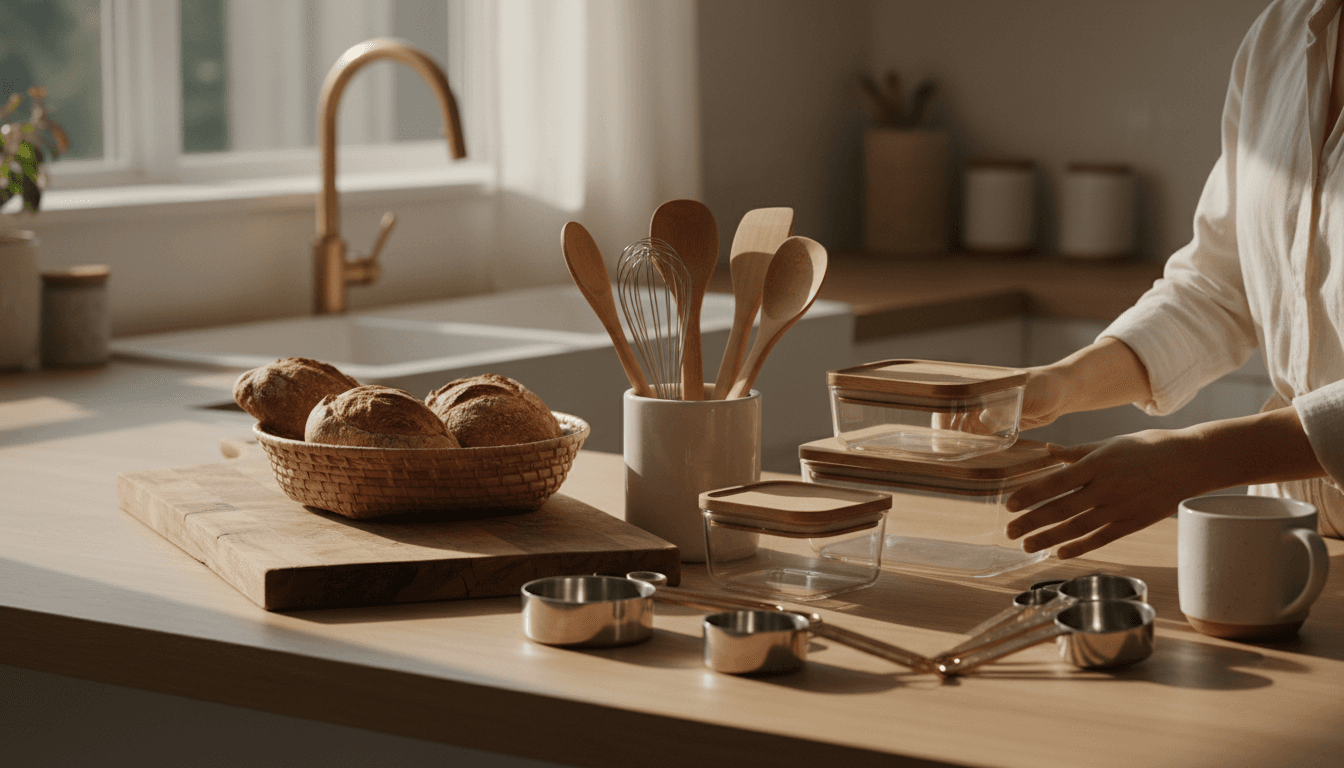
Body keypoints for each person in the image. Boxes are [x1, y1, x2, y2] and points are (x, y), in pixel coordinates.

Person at [1003, 0, 1344, 559]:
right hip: (1293, 543)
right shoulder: (1280, 35)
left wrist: (1201, 457)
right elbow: (1218, 285)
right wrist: (1061, 385)